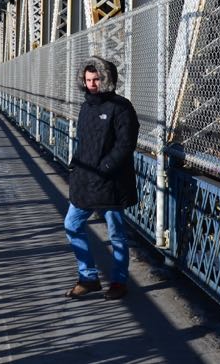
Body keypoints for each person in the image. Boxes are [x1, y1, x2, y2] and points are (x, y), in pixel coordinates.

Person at [63, 56, 139, 301]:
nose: (92, 84)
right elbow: (84, 143)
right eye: (87, 80)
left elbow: (126, 144)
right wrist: (76, 165)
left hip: (110, 181)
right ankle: (88, 277)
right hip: (86, 180)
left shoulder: (121, 107)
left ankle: (118, 282)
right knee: (72, 224)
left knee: (116, 233)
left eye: (96, 79)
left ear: (106, 79)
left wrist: (105, 167)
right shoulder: (86, 107)